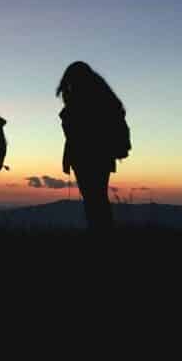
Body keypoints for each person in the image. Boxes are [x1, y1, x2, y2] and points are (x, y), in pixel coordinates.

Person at [56, 61, 129, 233]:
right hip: (100, 156)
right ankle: (101, 230)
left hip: (86, 156)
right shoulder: (102, 97)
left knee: (94, 200)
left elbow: (76, 132)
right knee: (97, 198)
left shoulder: (82, 100)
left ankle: (100, 232)